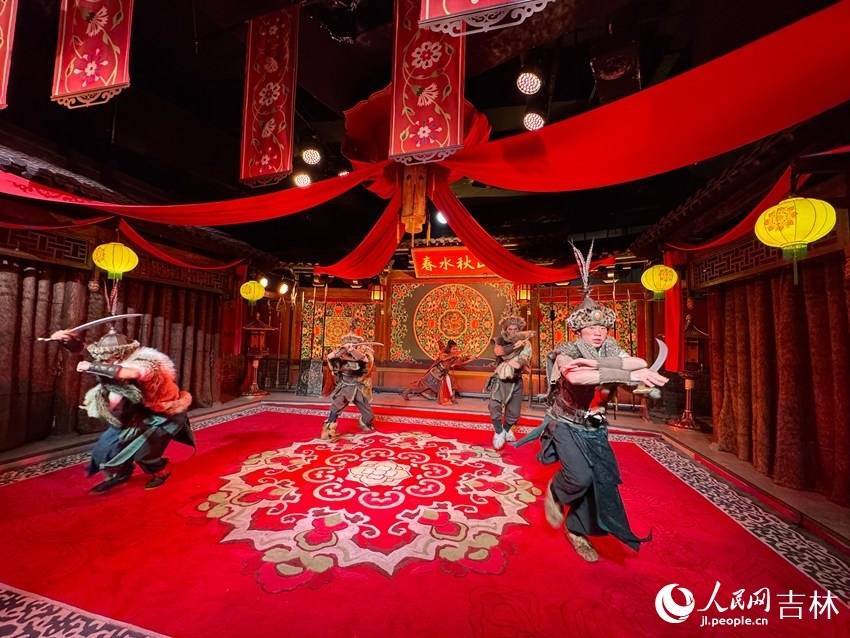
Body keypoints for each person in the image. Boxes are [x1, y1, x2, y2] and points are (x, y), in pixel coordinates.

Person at [537, 242, 667, 561]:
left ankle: (577, 530)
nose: (598, 332)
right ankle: (556, 491)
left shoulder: (609, 348)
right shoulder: (565, 350)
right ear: (579, 330)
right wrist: (623, 372)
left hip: (595, 424)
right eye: (591, 327)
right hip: (565, 421)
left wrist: (613, 369)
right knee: (579, 476)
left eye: (602, 327)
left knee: (599, 481)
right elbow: (577, 377)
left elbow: (638, 361)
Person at [50, 325, 195, 493]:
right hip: (135, 412)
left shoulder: (148, 363)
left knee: (144, 452)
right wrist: (68, 341)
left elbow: (132, 373)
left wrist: (93, 367)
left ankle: (161, 472)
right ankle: (120, 473)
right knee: (106, 447)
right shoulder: (113, 359)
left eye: (107, 359)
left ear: (120, 355)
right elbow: (90, 353)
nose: (103, 361)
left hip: (163, 415)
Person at [321, 321, 376, 440]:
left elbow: (365, 360)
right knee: (335, 407)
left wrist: (352, 350)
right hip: (345, 387)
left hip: (358, 387)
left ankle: (365, 422)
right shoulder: (340, 353)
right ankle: (328, 429)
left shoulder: (363, 353)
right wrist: (343, 349)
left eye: (354, 344)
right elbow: (330, 357)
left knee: (369, 414)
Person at [486, 315, 534, 450]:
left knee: (514, 413)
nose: (513, 331)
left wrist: (516, 360)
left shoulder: (526, 343)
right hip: (500, 380)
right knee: (494, 406)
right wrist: (515, 346)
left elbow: (521, 362)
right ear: (505, 330)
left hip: (516, 379)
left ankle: (506, 429)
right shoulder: (500, 340)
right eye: (510, 329)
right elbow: (499, 351)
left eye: (516, 329)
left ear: (519, 330)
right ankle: (499, 432)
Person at [402, 340, 474, 404]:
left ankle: (452, 398)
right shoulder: (444, 353)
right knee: (421, 385)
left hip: (443, 374)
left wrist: (471, 359)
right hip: (435, 373)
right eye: (454, 349)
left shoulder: (454, 358)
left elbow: (461, 361)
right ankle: (406, 392)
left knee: (452, 383)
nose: (456, 350)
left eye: (456, 349)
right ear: (449, 349)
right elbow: (444, 358)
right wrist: (457, 353)